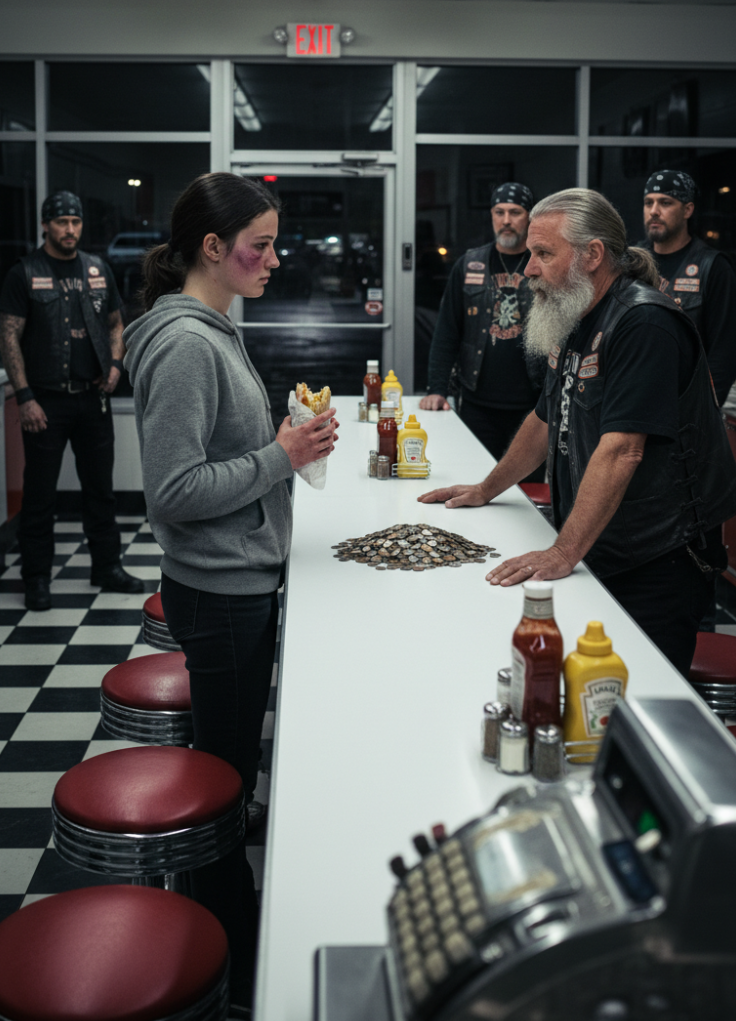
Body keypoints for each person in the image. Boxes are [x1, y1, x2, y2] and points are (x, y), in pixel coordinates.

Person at [124, 172, 339, 1013]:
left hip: (238, 579)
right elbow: (173, 493)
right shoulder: (184, 343)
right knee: (218, 772)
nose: (275, 260)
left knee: (235, 757)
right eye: (263, 244)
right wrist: (280, 457)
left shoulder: (210, 326)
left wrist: (281, 442)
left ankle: (229, 876)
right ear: (213, 248)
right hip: (217, 594)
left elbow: (223, 450)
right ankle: (228, 933)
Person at [419, 188, 736, 678]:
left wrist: (563, 551)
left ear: (592, 255)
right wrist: (487, 489)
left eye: (543, 254)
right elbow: (545, 418)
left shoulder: (643, 323)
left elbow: (623, 450)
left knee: (633, 702)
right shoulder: (575, 311)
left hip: (656, 560)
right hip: (603, 544)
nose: (528, 269)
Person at [0, 190, 143, 611]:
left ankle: (106, 568)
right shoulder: (25, 273)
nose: (69, 229)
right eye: (61, 222)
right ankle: (37, 579)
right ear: (45, 225)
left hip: (93, 398)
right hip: (45, 403)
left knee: (101, 491)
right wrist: (24, 396)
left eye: (75, 222)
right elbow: (8, 335)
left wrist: (117, 364)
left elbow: (116, 322)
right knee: (40, 495)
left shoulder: (97, 269)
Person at [419, 182, 547, 481]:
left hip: (532, 407)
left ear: (529, 217)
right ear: (491, 215)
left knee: (526, 490)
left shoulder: (542, 264)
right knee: (472, 481)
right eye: (499, 212)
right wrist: (437, 389)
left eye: (515, 212)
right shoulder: (470, 264)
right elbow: (447, 331)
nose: (506, 220)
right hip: (477, 403)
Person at [641, 169, 736, 406]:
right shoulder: (632, 262)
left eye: (665, 203)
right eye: (648, 203)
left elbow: (724, 353)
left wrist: (703, 412)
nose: (654, 211)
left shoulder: (713, 267)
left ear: (688, 210)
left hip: (687, 404)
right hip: (636, 398)